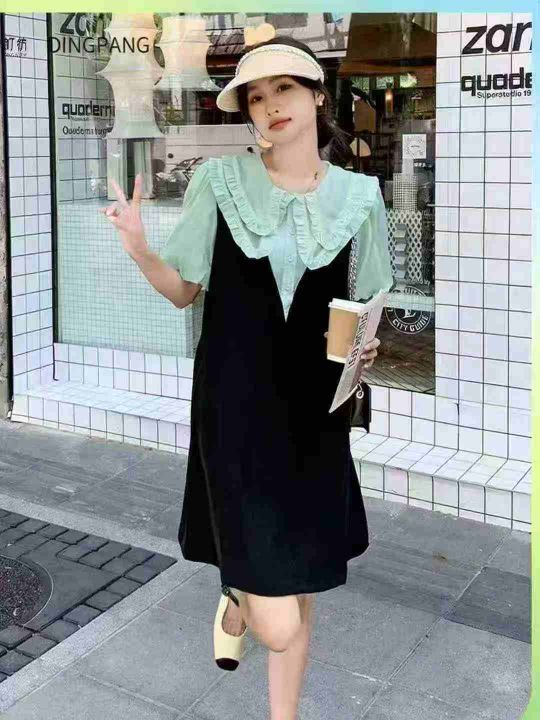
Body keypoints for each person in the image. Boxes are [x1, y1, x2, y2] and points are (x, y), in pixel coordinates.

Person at [101, 34, 393, 720]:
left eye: (283, 88)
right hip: (235, 409)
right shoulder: (218, 181)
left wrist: (365, 352)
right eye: (256, 97)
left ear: (317, 96)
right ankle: (238, 592)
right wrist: (140, 247)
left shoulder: (360, 196)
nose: (269, 105)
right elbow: (184, 292)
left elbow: (365, 305)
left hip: (315, 417)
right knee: (279, 620)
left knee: (303, 579)